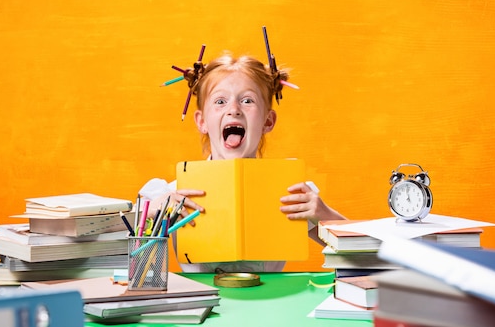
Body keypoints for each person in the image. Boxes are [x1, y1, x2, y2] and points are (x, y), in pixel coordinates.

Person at [139, 52, 346, 272]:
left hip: (270, 303)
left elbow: (367, 256)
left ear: (268, 121)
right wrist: (153, 211)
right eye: (220, 101)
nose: (234, 109)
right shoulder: (175, 193)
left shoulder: (290, 194)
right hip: (201, 304)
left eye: (247, 100)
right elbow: (125, 258)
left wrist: (324, 215)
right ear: (202, 122)